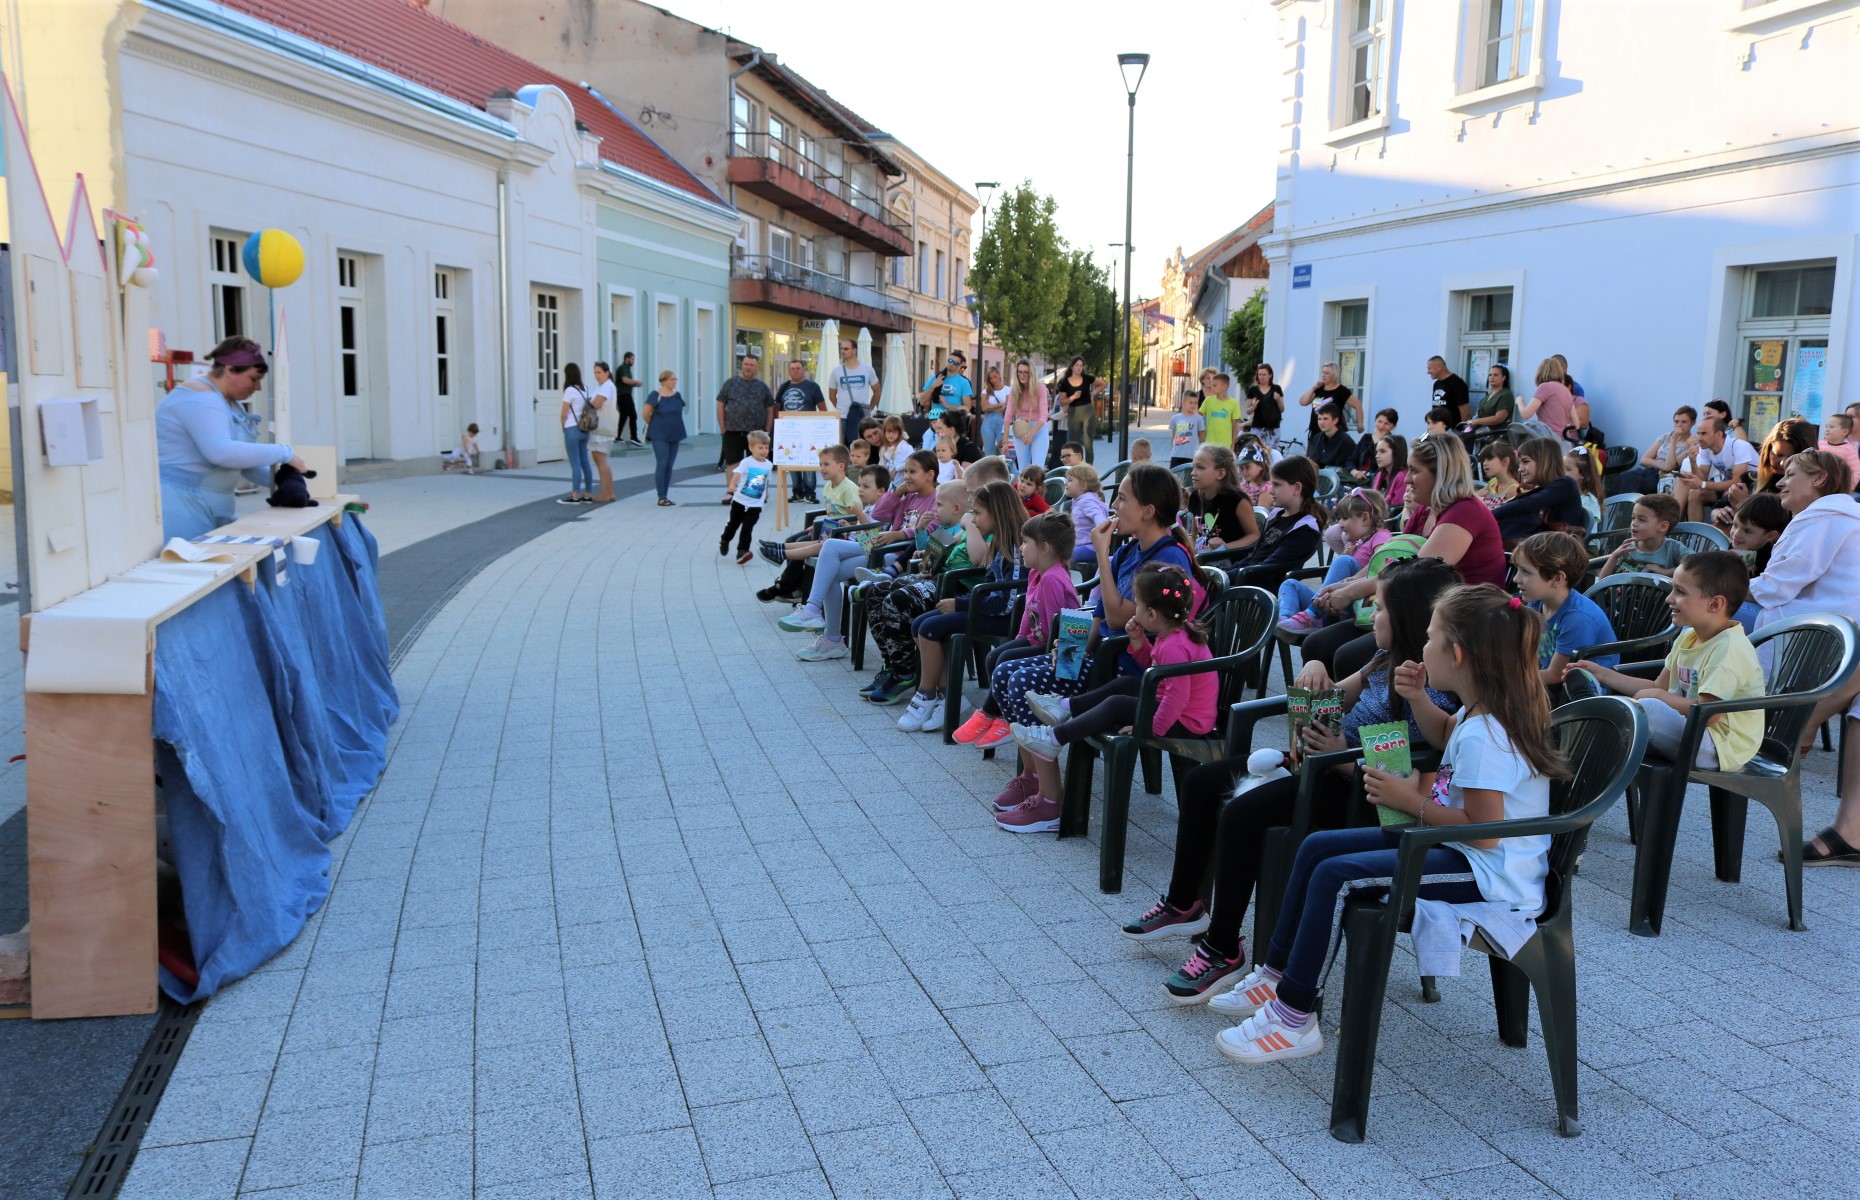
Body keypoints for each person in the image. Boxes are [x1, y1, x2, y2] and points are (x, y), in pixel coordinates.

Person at [1214, 584, 1569, 1064]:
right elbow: (1445, 734)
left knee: (1336, 876)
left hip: (1489, 876)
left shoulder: (1490, 735)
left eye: (1429, 637)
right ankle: (1276, 975)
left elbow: (1483, 833)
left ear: (1457, 654)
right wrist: (1420, 697)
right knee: (1318, 848)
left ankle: (1294, 1018)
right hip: (1461, 852)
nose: (1420, 647)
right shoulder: (1480, 710)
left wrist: (1409, 800)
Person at [1130, 557, 1461, 999]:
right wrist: (1317, 674)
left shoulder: (1428, 686)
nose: (1371, 614)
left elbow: (1405, 775)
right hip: (1324, 765)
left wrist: (1340, 757)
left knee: (1242, 812)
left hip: (1355, 792)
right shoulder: (1387, 658)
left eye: (1379, 607)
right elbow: (1338, 692)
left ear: (1408, 617)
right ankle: (1185, 903)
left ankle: (1223, 947)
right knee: (1202, 782)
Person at [992, 465, 1200, 832]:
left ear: (1148, 510)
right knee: (1007, 671)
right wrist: (1067, 646)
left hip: (1129, 669)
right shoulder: (1133, 549)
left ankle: (1052, 803)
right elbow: (1099, 615)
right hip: (1104, 654)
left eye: (1122, 498)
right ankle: (1032, 776)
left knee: (1023, 683)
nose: (1115, 506)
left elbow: (1120, 619)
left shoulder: (1169, 558)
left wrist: (1102, 553)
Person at [1299, 433, 1506, 677]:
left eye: (1414, 471)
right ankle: (1322, 714)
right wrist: (1344, 584)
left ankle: (1359, 713)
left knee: (1346, 657)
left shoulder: (1465, 512)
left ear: (1441, 473)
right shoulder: (1426, 510)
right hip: (1418, 614)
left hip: (1458, 625)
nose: (1407, 479)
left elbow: (1414, 575)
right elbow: (1390, 559)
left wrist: (1351, 592)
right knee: (1315, 646)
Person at [1010, 563, 1217, 799]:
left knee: (1116, 703)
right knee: (1123, 685)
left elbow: (1176, 697)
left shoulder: (1174, 646)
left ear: (1151, 614)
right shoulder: (1173, 633)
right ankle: (1064, 707)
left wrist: (1147, 728)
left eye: (1137, 603)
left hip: (1186, 721)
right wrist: (1138, 639)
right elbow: (1156, 672)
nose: (1134, 609)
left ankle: (1054, 738)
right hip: (1174, 708)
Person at [1749, 451, 1860, 865]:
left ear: (1821, 479)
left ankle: (1803, 719)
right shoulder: (1835, 518)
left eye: (1791, 474)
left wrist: (1708, 583)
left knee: (1705, 608)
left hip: (1822, 645)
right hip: (1833, 642)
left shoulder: (1825, 517)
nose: (1779, 481)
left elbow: (1776, 587)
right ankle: (1850, 831)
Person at [1571, 551, 1762, 772]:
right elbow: (1656, 687)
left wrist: (1659, 698)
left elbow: (1708, 714)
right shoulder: (1689, 635)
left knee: (1649, 710)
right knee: (1636, 706)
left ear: (1715, 604)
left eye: (1680, 592)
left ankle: (1592, 728)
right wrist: (1603, 674)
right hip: (1689, 733)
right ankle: (1594, 720)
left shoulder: (1728, 649)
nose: (1669, 598)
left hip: (1719, 746)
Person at [891, 480, 1029, 732]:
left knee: (930, 628)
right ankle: (947, 697)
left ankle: (926, 695)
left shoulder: (1016, 546)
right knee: (920, 624)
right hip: (989, 608)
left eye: (977, 512)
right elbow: (992, 585)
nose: (973, 518)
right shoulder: (999, 540)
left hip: (1007, 619)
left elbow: (1008, 603)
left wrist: (961, 604)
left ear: (996, 512)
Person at [780, 450, 940, 662]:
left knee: (829, 548)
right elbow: (880, 514)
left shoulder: (937, 497)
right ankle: (828, 634)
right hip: (880, 545)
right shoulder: (907, 496)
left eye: (913, 472)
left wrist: (900, 533)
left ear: (930, 474)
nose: (907, 476)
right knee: (830, 565)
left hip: (900, 555)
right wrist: (898, 491)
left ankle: (821, 622)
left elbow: (933, 529)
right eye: (905, 471)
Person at [953, 511, 1083, 750]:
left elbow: (1055, 632)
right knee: (996, 655)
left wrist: (1026, 648)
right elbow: (1027, 619)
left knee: (1004, 659)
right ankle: (997, 715)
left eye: (1025, 542)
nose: (1020, 547)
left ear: (1044, 548)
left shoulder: (1054, 579)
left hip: (1061, 653)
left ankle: (999, 718)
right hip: (1038, 640)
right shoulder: (1036, 573)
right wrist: (1020, 640)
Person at [156, 336, 303, 539]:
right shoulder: (199, 398)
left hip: (216, 504)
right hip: (181, 505)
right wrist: (283, 453)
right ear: (230, 369)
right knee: (191, 564)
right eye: (253, 378)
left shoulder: (229, 402)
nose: (258, 387)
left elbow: (245, 465)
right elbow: (221, 452)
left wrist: (284, 480)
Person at [758, 462, 886, 604]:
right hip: (850, 538)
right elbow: (863, 526)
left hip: (858, 545)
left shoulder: (881, 508)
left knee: (823, 545)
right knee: (816, 542)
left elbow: (873, 532)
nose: (860, 490)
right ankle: (780, 549)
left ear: (880, 491)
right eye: (860, 485)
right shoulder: (870, 505)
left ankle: (782, 554)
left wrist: (858, 514)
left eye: (865, 487)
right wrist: (849, 524)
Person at [1512, 531, 1617, 686]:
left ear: (1557, 578)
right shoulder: (1537, 601)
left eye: (1526, 572)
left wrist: (1506, 678)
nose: (1516, 578)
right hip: (1549, 680)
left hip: (1579, 693)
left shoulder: (1577, 619)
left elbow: (1555, 675)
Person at [1279, 488, 1388, 632]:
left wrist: (1351, 580)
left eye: (1345, 518)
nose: (1340, 524)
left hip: (1358, 600)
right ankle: (1287, 621)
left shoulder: (1381, 536)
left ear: (1365, 519)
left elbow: (1381, 564)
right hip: (1333, 602)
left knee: (1343, 561)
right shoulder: (1356, 542)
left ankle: (1313, 614)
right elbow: (1332, 533)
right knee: (1291, 584)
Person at [1219, 455, 1328, 591]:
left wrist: (1225, 577)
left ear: (1297, 488)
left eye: (1277, 484)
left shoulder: (1305, 529)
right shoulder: (1275, 514)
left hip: (1261, 593)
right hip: (1247, 579)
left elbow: (1268, 568)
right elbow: (1255, 557)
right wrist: (1224, 572)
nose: (1270, 490)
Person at [1491, 437, 1586, 545]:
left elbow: (1527, 504)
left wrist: (1490, 515)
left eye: (1525, 462)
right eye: (1519, 463)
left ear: (1544, 461)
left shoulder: (1565, 484)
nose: (1520, 469)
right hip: (1546, 549)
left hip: (1561, 553)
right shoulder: (1545, 488)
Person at [1673, 416, 1756, 524]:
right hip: (1728, 486)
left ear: (1719, 434)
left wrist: (1702, 484)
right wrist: (1693, 462)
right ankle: (1692, 533)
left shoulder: (1739, 446)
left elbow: (1737, 481)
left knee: (1731, 490)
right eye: (1698, 433)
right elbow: (1702, 477)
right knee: (1692, 490)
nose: (1699, 438)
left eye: (1704, 433)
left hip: (1750, 487)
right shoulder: (1705, 448)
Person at [716, 355, 775, 504]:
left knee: (757, 462)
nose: (749, 367)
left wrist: (768, 428)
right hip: (733, 430)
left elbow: (770, 408)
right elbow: (721, 404)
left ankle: (756, 493)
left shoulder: (762, 386)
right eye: (746, 364)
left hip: (756, 432)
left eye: (752, 365)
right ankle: (731, 492)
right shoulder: (730, 383)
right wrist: (722, 427)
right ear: (742, 365)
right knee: (733, 463)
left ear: (757, 367)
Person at [1729, 492, 1788, 630]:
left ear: (1770, 535)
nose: (1736, 533)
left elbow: (1767, 594)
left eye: (1747, 531)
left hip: (1762, 615)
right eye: (1735, 525)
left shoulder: (1772, 558)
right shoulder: (1735, 546)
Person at [1186, 444, 1260, 553]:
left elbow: (1254, 535)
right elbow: (1194, 534)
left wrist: (1225, 547)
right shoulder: (1195, 496)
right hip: (1204, 559)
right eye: (1193, 467)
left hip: (1230, 561)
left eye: (1200, 467)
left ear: (1220, 473)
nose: (1193, 473)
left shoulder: (1237, 499)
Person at [1612, 405, 1697, 496]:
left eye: (1684, 422)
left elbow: (1670, 466)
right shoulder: (1665, 436)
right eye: (1676, 421)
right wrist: (1661, 465)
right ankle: (1620, 507)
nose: (1679, 425)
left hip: (1667, 477)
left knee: (1642, 483)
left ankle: (1631, 508)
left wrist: (1673, 440)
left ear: (1692, 423)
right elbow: (1644, 460)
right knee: (1626, 476)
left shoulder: (1691, 442)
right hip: (1651, 471)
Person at [775, 359, 828, 502]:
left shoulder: (813, 387)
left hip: (808, 431)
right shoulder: (784, 387)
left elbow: (822, 408)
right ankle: (797, 492)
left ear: (803, 370)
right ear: (789, 371)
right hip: (789, 432)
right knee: (793, 461)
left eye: (798, 368)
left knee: (809, 461)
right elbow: (777, 407)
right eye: (792, 368)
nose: (795, 371)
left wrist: (821, 428)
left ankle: (810, 493)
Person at [719, 430, 774, 564]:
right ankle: (725, 539)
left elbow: (766, 480)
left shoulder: (768, 464)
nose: (764, 450)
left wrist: (766, 492)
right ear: (751, 448)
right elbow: (737, 474)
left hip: (756, 505)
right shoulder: (746, 462)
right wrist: (732, 486)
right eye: (760, 447)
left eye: (766, 448)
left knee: (747, 528)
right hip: (740, 502)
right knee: (733, 525)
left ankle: (742, 552)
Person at [1600, 493, 1685, 577]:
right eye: (1633, 518)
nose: (1634, 524)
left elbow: (1694, 566)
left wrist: (1665, 572)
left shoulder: (1673, 549)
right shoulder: (1627, 547)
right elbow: (1602, 581)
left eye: (1642, 520)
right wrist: (1614, 557)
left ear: (1663, 526)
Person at [643, 368, 687, 506]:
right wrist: (655, 425)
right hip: (659, 434)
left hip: (675, 432)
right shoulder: (656, 394)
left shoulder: (677, 395)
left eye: (675, 379)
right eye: (671, 379)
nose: (674, 382)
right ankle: (661, 496)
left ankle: (666, 495)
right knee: (662, 463)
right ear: (664, 380)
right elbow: (645, 413)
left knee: (669, 465)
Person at [827, 338, 879, 447]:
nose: (842, 351)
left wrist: (869, 408)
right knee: (843, 447)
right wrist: (841, 407)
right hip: (843, 417)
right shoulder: (836, 371)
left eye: (846, 349)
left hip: (862, 417)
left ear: (854, 350)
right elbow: (831, 395)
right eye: (841, 349)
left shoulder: (867, 369)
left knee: (862, 447)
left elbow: (877, 391)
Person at [1513, 358, 1577, 444]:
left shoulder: (1545, 387)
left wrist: (1519, 401)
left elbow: (1526, 414)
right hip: (1564, 441)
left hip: (1547, 439)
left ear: (1540, 372)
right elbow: (1576, 424)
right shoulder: (1566, 391)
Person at [558, 362, 595, 505]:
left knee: (575, 464)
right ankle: (587, 494)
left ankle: (574, 495)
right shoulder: (586, 389)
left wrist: (564, 428)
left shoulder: (569, 391)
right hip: (584, 429)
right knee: (585, 462)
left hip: (572, 429)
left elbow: (563, 414)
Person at [1006, 360, 1052, 472]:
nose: (1022, 375)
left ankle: (1038, 489)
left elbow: (1044, 415)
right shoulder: (1015, 390)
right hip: (1022, 429)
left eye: (1025, 372)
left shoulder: (1040, 388)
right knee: (1023, 469)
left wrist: (1031, 433)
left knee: (1037, 468)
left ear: (1031, 373)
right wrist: (1005, 440)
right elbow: (1008, 415)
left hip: (1038, 429)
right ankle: (1023, 489)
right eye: (1020, 372)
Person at [1296, 362, 1361, 439]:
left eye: (1327, 373)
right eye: (1323, 372)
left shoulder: (1342, 391)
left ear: (1334, 375)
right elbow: (1302, 402)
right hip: (1315, 433)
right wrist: (1314, 388)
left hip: (1333, 434)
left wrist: (1360, 425)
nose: (1323, 375)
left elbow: (1358, 405)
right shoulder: (1319, 389)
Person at [1065, 463, 1111, 568]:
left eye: (1070, 480)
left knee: (1060, 556)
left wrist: (1102, 525)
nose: (1066, 483)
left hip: (1091, 549)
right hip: (1083, 546)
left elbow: (1098, 516)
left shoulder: (1087, 501)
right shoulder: (1080, 500)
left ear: (1083, 485)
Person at [1054, 357, 1097, 463]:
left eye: (1081, 365)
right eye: (1077, 365)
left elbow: (1102, 384)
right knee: (1073, 443)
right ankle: (1074, 467)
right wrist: (1072, 398)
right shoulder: (1064, 382)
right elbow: (1062, 402)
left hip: (1088, 412)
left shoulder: (1087, 378)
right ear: (1072, 366)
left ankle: (1089, 468)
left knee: (1088, 443)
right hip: (1074, 412)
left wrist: (1093, 393)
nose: (1079, 368)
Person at [588, 361, 618, 503]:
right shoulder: (604, 386)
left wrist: (585, 403)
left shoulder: (606, 386)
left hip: (601, 427)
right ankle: (609, 492)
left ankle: (605, 492)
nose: (597, 375)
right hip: (603, 426)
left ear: (607, 372)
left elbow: (596, 404)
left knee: (600, 459)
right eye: (595, 372)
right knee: (601, 459)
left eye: (599, 372)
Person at [917, 350, 974, 420]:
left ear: (959, 366)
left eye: (955, 363)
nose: (951, 364)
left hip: (953, 422)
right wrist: (933, 386)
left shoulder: (964, 382)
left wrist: (948, 406)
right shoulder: (935, 378)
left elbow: (967, 407)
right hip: (936, 421)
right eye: (950, 360)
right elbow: (922, 401)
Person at [1464, 364, 1515, 437]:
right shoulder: (1487, 397)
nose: (1492, 377)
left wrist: (1476, 422)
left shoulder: (1506, 395)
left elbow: (1499, 418)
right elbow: (1478, 415)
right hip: (1481, 436)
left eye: (1496, 375)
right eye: (1490, 375)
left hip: (1496, 437)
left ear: (1504, 377)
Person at [1241, 364, 1284, 447]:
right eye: (1259, 374)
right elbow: (1248, 411)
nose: (1262, 377)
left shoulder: (1277, 388)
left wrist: (1278, 399)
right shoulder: (1253, 389)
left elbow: (1282, 409)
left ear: (1270, 375)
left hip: (1273, 428)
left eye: (1264, 374)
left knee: (1272, 452)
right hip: (1258, 427)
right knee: (1257, 450)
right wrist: (1253, 406)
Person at [1565, 445, 1607, 530]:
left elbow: (1587, 533)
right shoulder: (1560, 494)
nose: (1562, 472)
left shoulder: (1589, 502)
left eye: (1568, 469)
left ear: (1582, 474)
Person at [1200, 374, 1243, 452]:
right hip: (1209, 443)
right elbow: (1199, 417)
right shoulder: (1208, 400)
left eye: (1215, 385)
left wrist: (1233, 445)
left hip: (1225, 445)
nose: (1212, 388)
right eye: (1212, 385)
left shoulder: (1233, 403)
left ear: (1225, 386)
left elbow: (1235, 426)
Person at [1308, 403, 1357, 470]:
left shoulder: (1345, 440)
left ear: (1335, 420)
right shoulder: (1317, 438)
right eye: (1319, 419)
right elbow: (1314, 460)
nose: (1321, 422)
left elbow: (1348, 464)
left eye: (1325, 419)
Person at [976, 364, 1010, 458]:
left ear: (999, 375)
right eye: (991, 378)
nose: (993, 380)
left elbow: (1007, 407)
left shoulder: (1008, 390)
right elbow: (984, 408)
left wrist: (992, 407)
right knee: (988, 452)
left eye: (995, 377)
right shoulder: (986, 391)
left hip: (1002, 421)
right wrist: (999, 405)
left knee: (1004, 449)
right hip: (988, 421)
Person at [1426, 355, 1470, 425]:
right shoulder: (1436, 384)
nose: (1428, 372)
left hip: (1452, 429)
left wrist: (1462, 430)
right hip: (1437, 428)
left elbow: (1464, 411)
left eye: (1429, 368)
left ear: (1439, 367)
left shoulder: (1457, 383)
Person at [1370, 434, 1408, 511]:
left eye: (1382, 451)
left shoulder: (1402, 477)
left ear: (1396, 453)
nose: (1377, 456)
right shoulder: (1379, 474)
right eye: (1377, 451)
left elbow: (1396, 510)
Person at [613, 352, 644, 446]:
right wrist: (636, 381)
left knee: (632, 415)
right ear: (627, 358)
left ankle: (633, 437)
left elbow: (627, 382)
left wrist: (635, 385)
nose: (633, 361)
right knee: (625, 415)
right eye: (632, 359)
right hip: (622, 395)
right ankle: (618, 436)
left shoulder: (627, 369)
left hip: (627, 394)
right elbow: (625, 380)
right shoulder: (623, 368)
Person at [1478, 442, 1521, 506]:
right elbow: (1479, 494)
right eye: (1483, 460)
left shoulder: (1514, 489)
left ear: (1506, 461)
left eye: (1489, 459)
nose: (1484, 463)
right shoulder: (1493, 482)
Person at [1168, 393, 1206, 467]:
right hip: (1177, 454)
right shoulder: (1175, 418)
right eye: (1191, 402)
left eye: (1195, 403)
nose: (1193, 405)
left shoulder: (1199, 419)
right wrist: (1173, 448)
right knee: (1174, 475)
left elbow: (1202, 438)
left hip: (1192, 454)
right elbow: (1173, 435)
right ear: (1183, 402)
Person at [878, 416, 914, 480]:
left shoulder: (905, 447)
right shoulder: (883, 448)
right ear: (884, 432)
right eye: (889, 431)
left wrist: (896, 469)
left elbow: (912, 461)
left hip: (902, 481)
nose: (891, 434)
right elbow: (881, 464)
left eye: (895, 432)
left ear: (899, 433)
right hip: (888, 481)